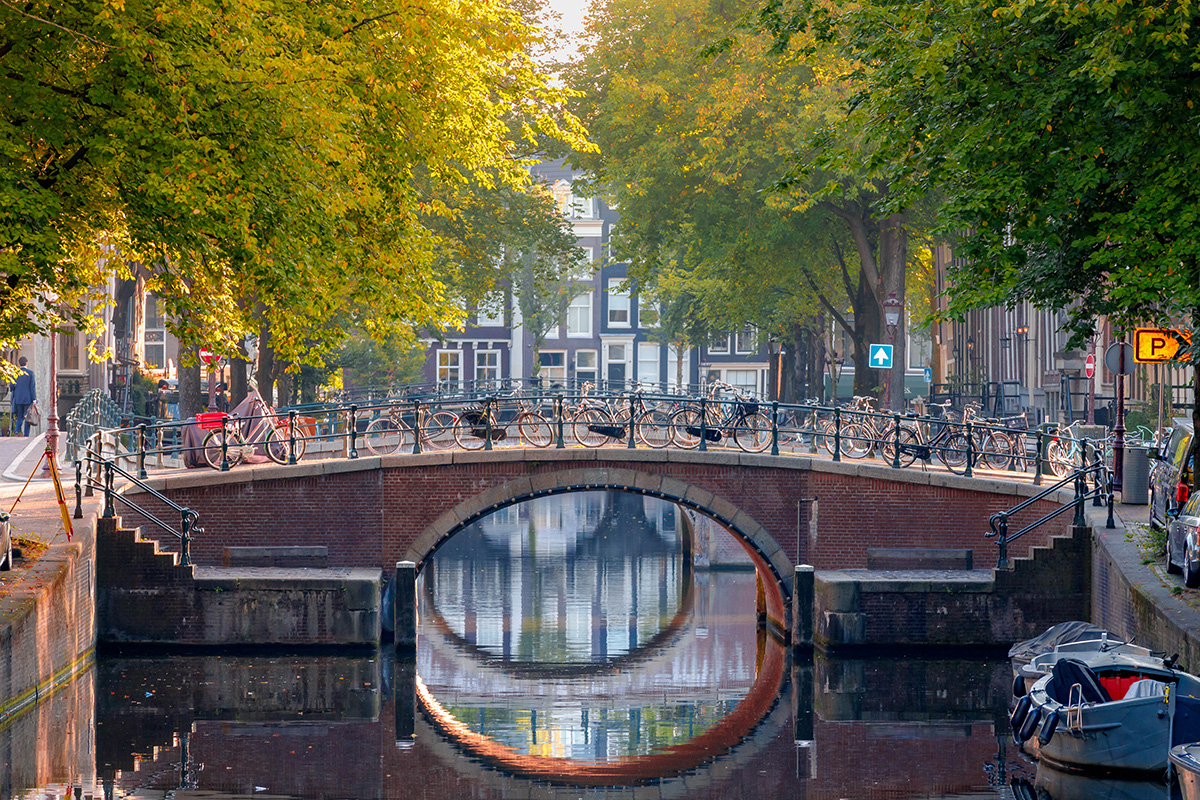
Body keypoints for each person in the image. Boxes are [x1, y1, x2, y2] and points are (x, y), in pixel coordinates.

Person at [9, 356, 35, 437]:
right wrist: (34, 399)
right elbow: (32, 387)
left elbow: (11, 386)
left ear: (19, 363)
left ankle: (16, 431)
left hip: (18, 398)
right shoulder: (30, 373)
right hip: (27, 399)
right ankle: (26, 435)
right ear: (26, 363)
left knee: (20, 416)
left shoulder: (15, 373)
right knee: (27, 417)